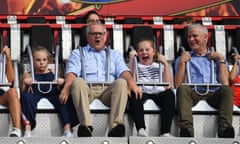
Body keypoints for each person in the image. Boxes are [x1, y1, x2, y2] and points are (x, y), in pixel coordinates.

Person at [59, 23, 142, 137]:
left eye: (100, 34)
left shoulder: (115, 54)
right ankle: (85, 126)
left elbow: (123, 71)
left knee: (122, 82)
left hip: (108, 91)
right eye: (94, 34)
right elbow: (72, 72)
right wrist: (67, 87)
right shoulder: (78, 53)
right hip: (87, 90)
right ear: (88, 36)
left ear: (105, 35)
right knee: (77, 81)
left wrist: (132, 83)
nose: (97, 36)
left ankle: (115, 127)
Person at [174, 24, 235, 138]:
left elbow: (225, 83)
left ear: (205, 37)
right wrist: (182, 63)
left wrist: (221, 60)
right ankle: (186, 130)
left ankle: (225, 129)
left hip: (213, 93)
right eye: (189, 37)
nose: (191, 39)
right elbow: (177, 85)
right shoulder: (183, 58)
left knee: (227, 90)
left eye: (195, 36)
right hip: (193, 93)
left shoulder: (217, 57)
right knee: (183, 89)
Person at [20, 46, 78, 137]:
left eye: (44, 60)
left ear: (48, 60)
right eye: (38, 60)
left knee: (64, 98)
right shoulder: (28, 74)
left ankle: (67, 128)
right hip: (36, 94)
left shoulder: (54, 72)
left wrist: (62, 82)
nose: (41, 63)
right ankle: (28, 127)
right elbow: (23, 91)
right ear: (33, 61)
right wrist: (26, 83)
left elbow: (61, 87)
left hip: (52, 94)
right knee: (26, 97)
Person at [128, 38, 175, 137]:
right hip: (142, 91)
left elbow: (168, 85)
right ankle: (141, 128)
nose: (144, 52)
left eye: (147, 49)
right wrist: (132, 61)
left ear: (153, 52)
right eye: (141, 50)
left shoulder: (159, 65)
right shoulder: (137, 65)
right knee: (133, 94)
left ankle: (165, 131)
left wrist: (165, 64)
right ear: (137, 53)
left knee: (169, 95)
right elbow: (131, 80)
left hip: (158, 92)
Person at [0, 46, 21, 137]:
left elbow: (11, 80)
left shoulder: (2, 57)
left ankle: (16, 130)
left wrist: (8, 58)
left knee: (12, 92)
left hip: (2, 91)